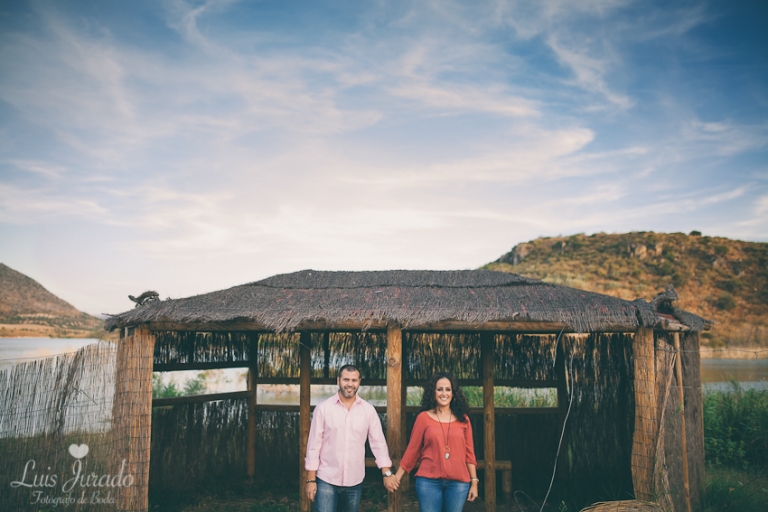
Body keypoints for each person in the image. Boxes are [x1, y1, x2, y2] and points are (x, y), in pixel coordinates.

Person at [305, 364, 398, 512]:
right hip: (326, 479)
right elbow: (313, 446)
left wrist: (386, 473)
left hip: (354, 481)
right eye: (346, 379)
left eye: (354, 380)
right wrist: (311, 479)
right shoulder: (323, 409)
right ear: (338, 381)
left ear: (359, 381)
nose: (350, 384)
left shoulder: (368, 411)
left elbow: (378, 443)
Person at [394, 372, 478, 512]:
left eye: (448, 389)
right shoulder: (423, 418)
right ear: (433, 392)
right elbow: (412, 450)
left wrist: (474, 482)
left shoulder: (464, 420)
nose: (443, 393)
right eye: (439, 389)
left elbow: (470, 453)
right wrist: (397, 476)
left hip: (458, 483)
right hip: (428, 482)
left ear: (454, 393)